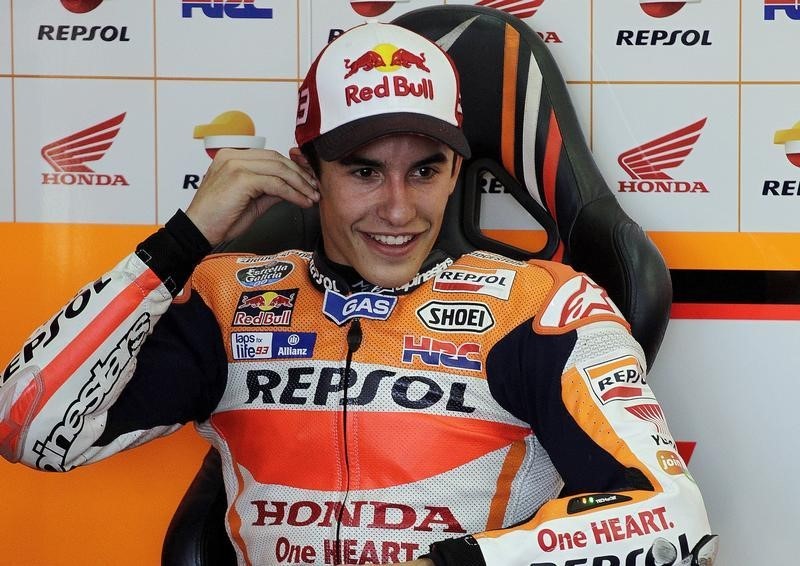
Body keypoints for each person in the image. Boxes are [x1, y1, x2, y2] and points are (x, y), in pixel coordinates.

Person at [0, 22, 716, 566]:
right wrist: (182, 241)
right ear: (307, 171)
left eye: (426, 170)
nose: (399, 210)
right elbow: (26, 430)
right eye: (364, 172)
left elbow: (676, 520)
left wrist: (462, 562)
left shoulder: (546, 306)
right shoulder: (229, 299)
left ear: (458, 174)